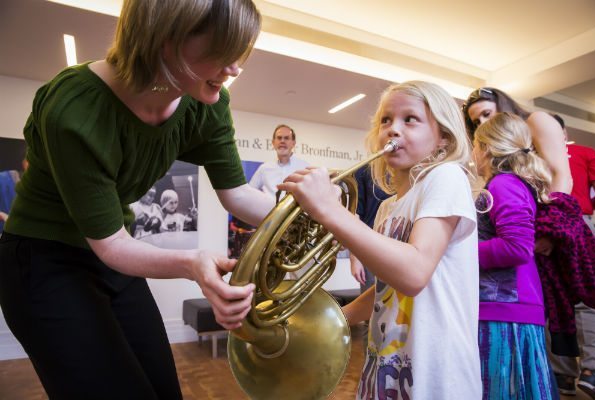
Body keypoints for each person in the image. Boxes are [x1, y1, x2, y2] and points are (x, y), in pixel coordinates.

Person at [0, 1, 275, 399]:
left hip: (114, 256)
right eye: (223, 51)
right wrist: (192, 264)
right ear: (166, 37)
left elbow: (237, 194)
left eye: (240, 54)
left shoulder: (204, 105)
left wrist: (320, 212)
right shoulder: (74, 107)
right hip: (42, 260)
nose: (234, 68)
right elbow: (110, 243)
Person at [279, 81, 482, 399]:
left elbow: (414, 273)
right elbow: (388, 287)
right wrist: (335, 321)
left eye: (410, 119)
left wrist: (331, 211)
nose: (393, 129)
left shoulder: (446, 177)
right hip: (386, 368)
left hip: (437, 377)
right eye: (385, 120)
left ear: (443, 136)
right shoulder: (389, 206)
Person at [463, 87, 595, 363]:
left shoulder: (536, 120)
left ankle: (592, 367)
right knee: (550, 295)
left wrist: (551, 230)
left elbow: (562, 176)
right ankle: (562, 370)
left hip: (560, 217)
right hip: (529, 219)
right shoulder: (503, 182)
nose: (483, 123)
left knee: (582, 292)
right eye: (476, 122)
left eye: (487, 114)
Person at [472, 112, 557, 399]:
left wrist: (461, 253)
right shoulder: (509, 184)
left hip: (504, 309)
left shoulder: (502, 185)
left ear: (485, 148)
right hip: (511, 307)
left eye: (474, 144)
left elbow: (517, 247)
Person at [549, 114, 595, 399]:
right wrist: (587, 202)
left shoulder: (533, 156)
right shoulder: (584, 152)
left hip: (544, 227)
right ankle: (593, 371)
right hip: (577, 220)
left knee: (557, 300)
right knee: (589, 298)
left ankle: (564, 375)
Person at [349, 164, 391, 292]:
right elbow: (355, 215)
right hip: (369, 246)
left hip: (400, 243)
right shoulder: (363, 171)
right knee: (371, 303)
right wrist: (355, 257)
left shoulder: (409, 170)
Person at [249, 124, 309, 199]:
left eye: (286, 138)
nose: (282, 141)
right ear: (273, 143)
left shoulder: (304, 168)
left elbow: (310, 195)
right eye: (279, 138)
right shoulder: (264, 168)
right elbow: (249, 193)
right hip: (268, 211)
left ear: (293, 143)